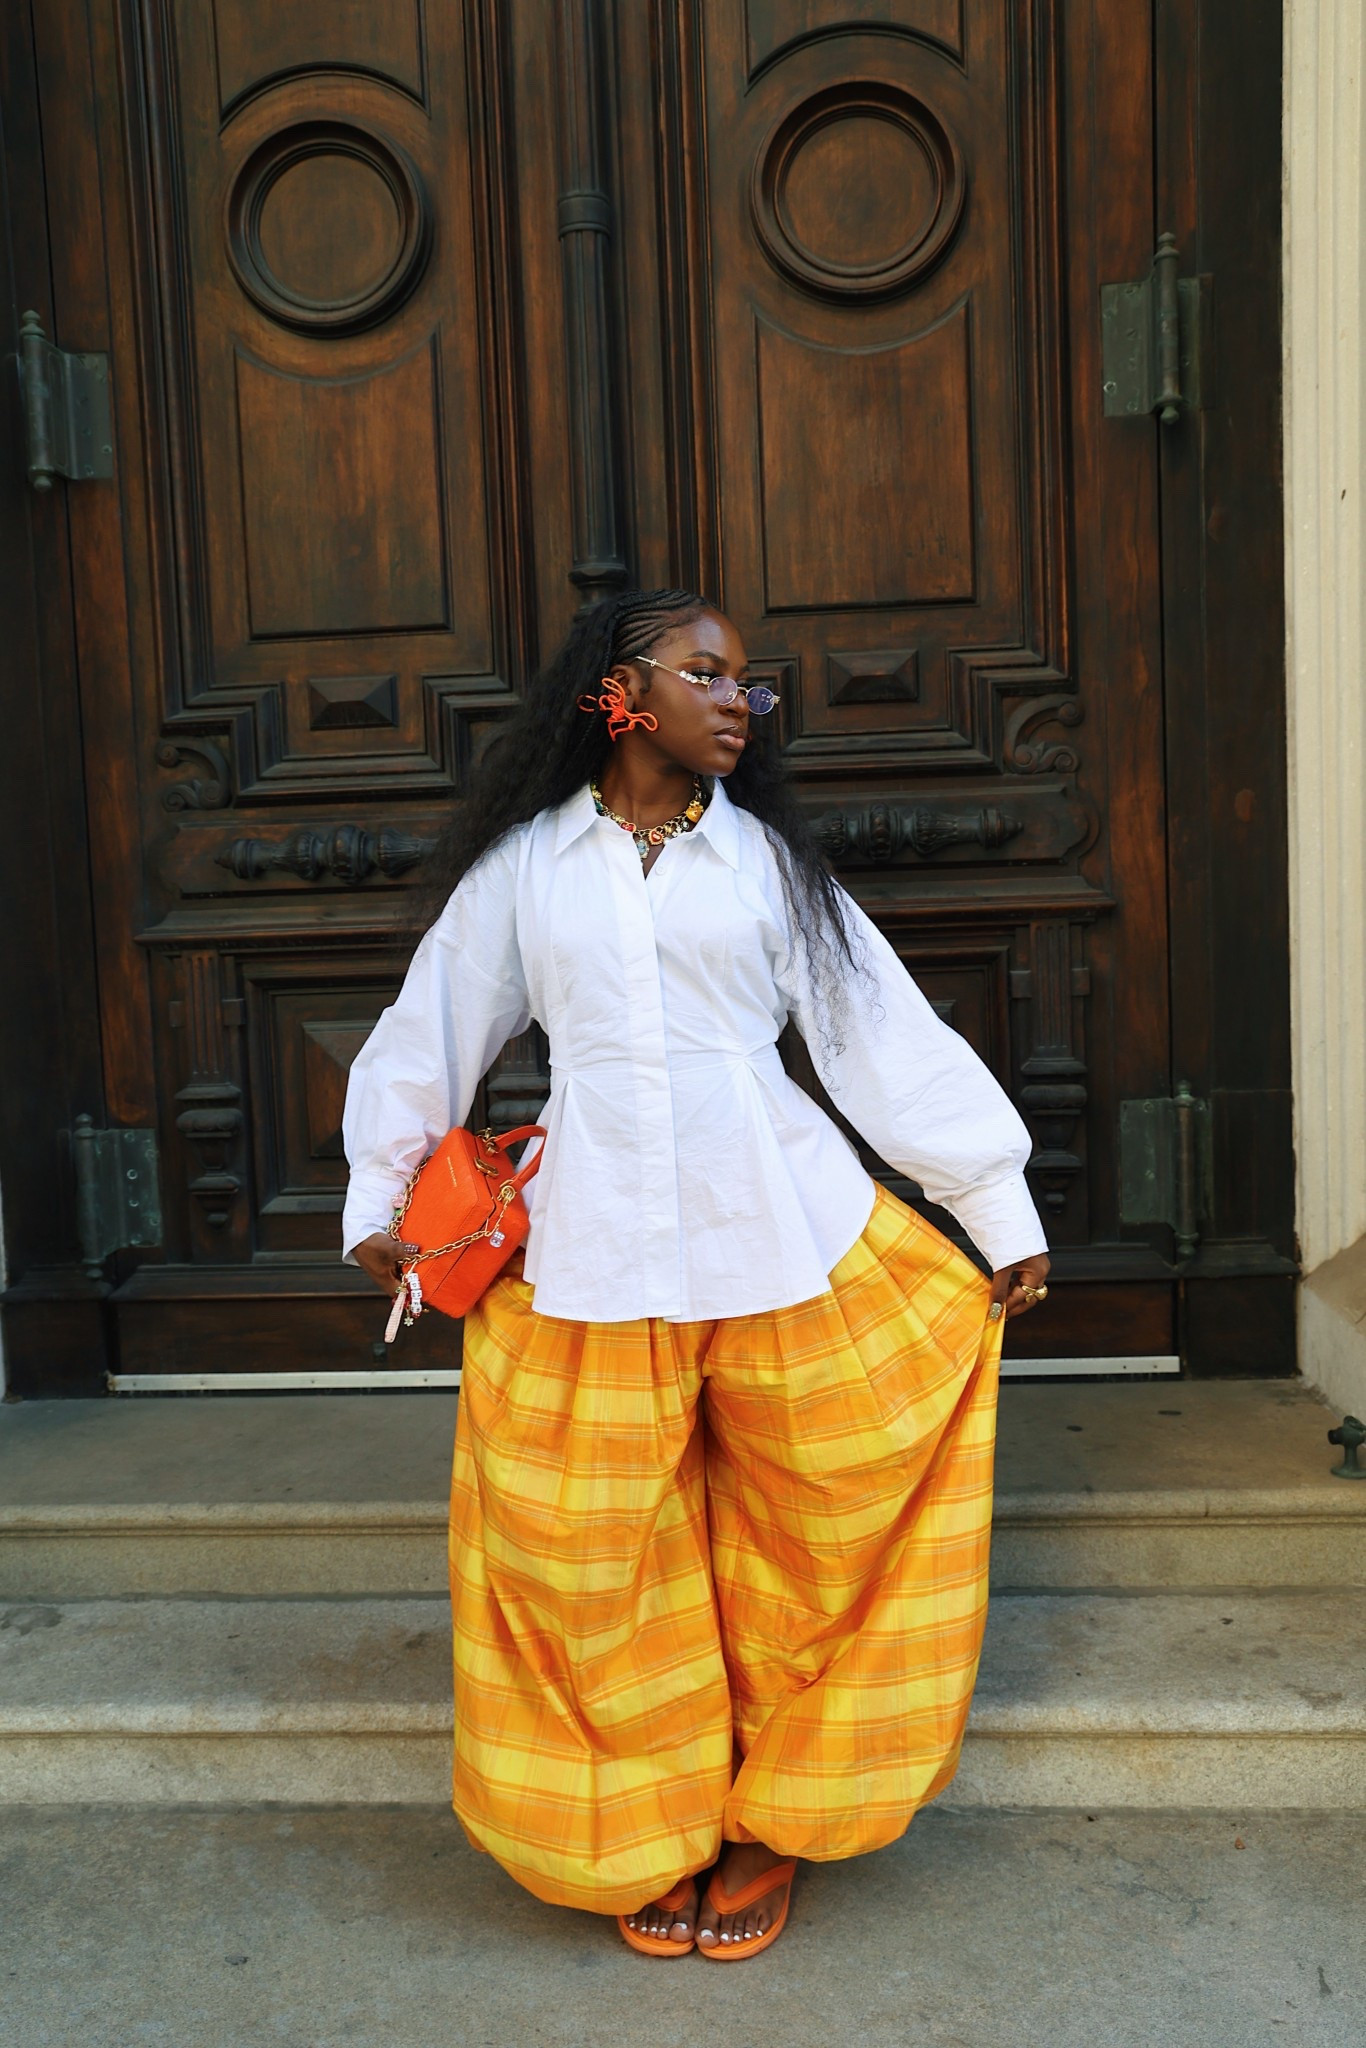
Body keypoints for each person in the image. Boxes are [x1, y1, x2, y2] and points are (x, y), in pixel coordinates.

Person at [342, 587, 1050, 1961]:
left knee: (816, 1541)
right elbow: (429, 1027)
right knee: (579, 1560)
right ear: (622, 694)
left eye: (749, 684)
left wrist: (992, 1203)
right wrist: (382, 1195)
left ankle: (776, 1819)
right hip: (583, 1253)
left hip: (786, 1233)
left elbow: (872, 1034)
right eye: (707, 674)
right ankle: (633, 1834)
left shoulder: (770, 869)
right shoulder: (527, 870)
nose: (740, 702)